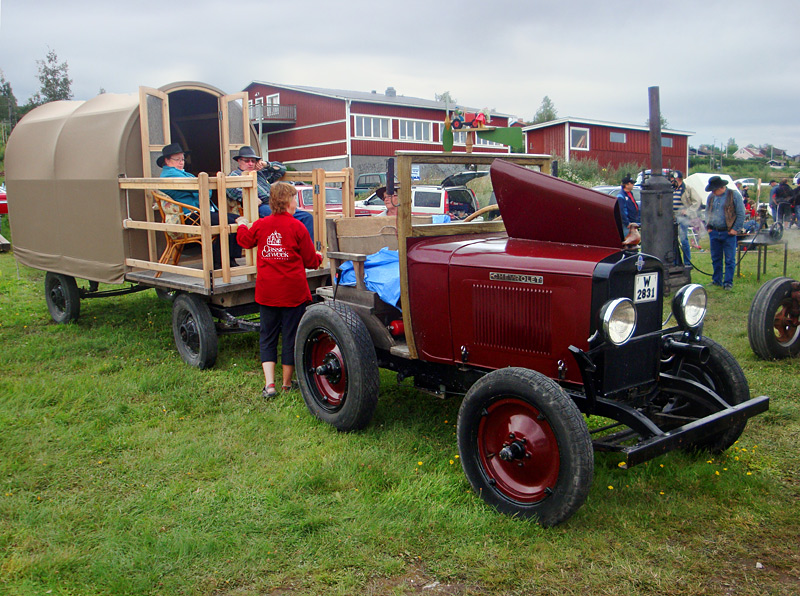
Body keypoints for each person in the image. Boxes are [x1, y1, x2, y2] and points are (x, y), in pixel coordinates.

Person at [235, 182, 322, 398]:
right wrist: (319, 257)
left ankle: (270, 385)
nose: (296, 202)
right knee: (291, 336)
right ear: (287, 201)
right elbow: (311, 261)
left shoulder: (262, 225)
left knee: (268, 336)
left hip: (268, 292)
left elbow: (245, 241)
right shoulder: (298, 227)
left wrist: (242, 224)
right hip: (293, 293)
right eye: (294, 198)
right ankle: (286, 384)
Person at [158, 143, 242, 268]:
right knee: (232, 221)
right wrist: (203, 189)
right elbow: (202, 189)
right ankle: (220, 261)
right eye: (177, 159)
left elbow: (204, 189)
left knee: (237, 220)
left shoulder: (182, 173)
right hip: (190, 216)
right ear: (167, 160)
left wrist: (203, 189)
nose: (181, 162)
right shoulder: (170, 174)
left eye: (182, 159)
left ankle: (228, 259)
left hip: (200, 212)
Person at [226, 146, 315, 241]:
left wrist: (265, 164)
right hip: (261, 206)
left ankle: (307, 251)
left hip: (275, 202)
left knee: (307, 217)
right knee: (285, 219)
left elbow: (281, 169)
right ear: (239, 161)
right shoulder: (235, 175)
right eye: (247, 161)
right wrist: (248, 198)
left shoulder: (260, 173)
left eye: (253, 161)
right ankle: (290, 250)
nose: (250, 163)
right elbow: (231, 189)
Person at [704, 176, 744, 290]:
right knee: (716, 258)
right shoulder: (711, 197)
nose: (713, 192)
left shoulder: (734, 195)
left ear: (721, 188)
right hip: (714, 232)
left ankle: (728, 283)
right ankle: (716, 280)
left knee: (730, 259)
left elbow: (741, 214)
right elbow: (707, 212)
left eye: (714, 189)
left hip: (728, 232)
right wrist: (708, 226)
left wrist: (735, 229)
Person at [671, 171, 699, 268]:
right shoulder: (671, 189)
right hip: (672, 217)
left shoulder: (688, 189)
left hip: (682, 217)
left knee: (683, 239)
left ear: (677, 179)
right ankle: (675, 261)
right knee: (672, 240)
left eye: (672, 179)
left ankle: (687, 262)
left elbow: (697, 201)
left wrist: (688, 210)